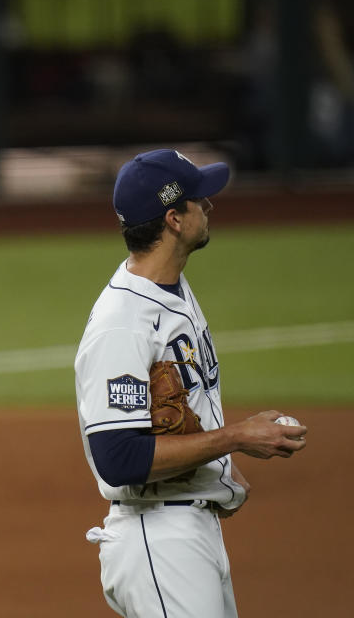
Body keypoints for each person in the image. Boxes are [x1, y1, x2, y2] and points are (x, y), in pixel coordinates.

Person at [74, 149, 307, 617]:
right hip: (159, 544)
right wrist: (236, 437)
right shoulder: (123, 322)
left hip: (187, 533)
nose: (211, 205)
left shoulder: (172, 288)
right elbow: (117, 458)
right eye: (200, 199)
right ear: (174, 219)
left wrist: (213, 468)